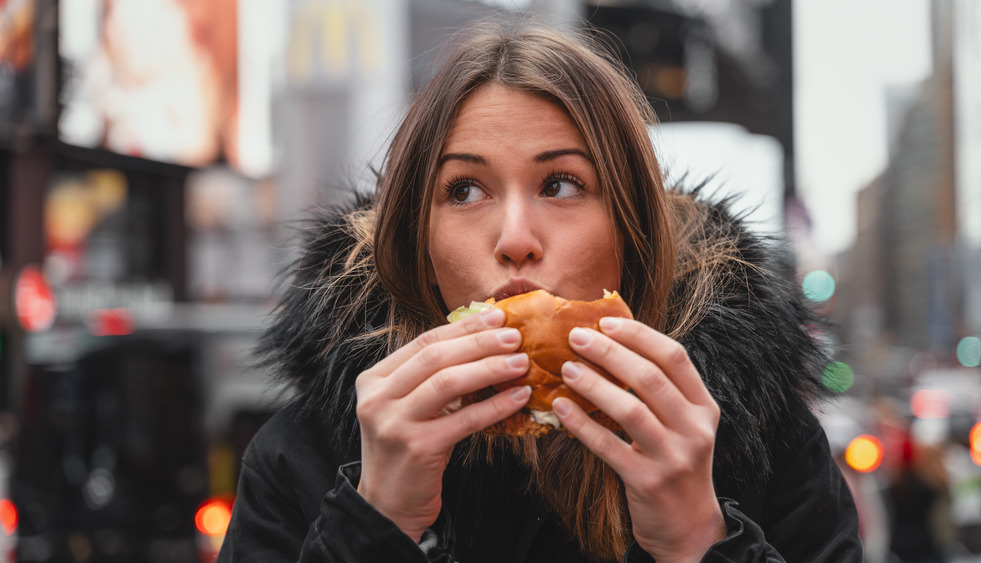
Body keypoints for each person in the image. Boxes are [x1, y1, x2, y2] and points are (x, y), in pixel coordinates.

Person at [217, 20, 862, 563]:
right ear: (420, 243)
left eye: (561, 184)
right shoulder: (300, 458)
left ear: (630, 231)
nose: (516, 238)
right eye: (464, 190)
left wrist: (699, 538)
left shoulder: (765, 449)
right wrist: (376, 522)